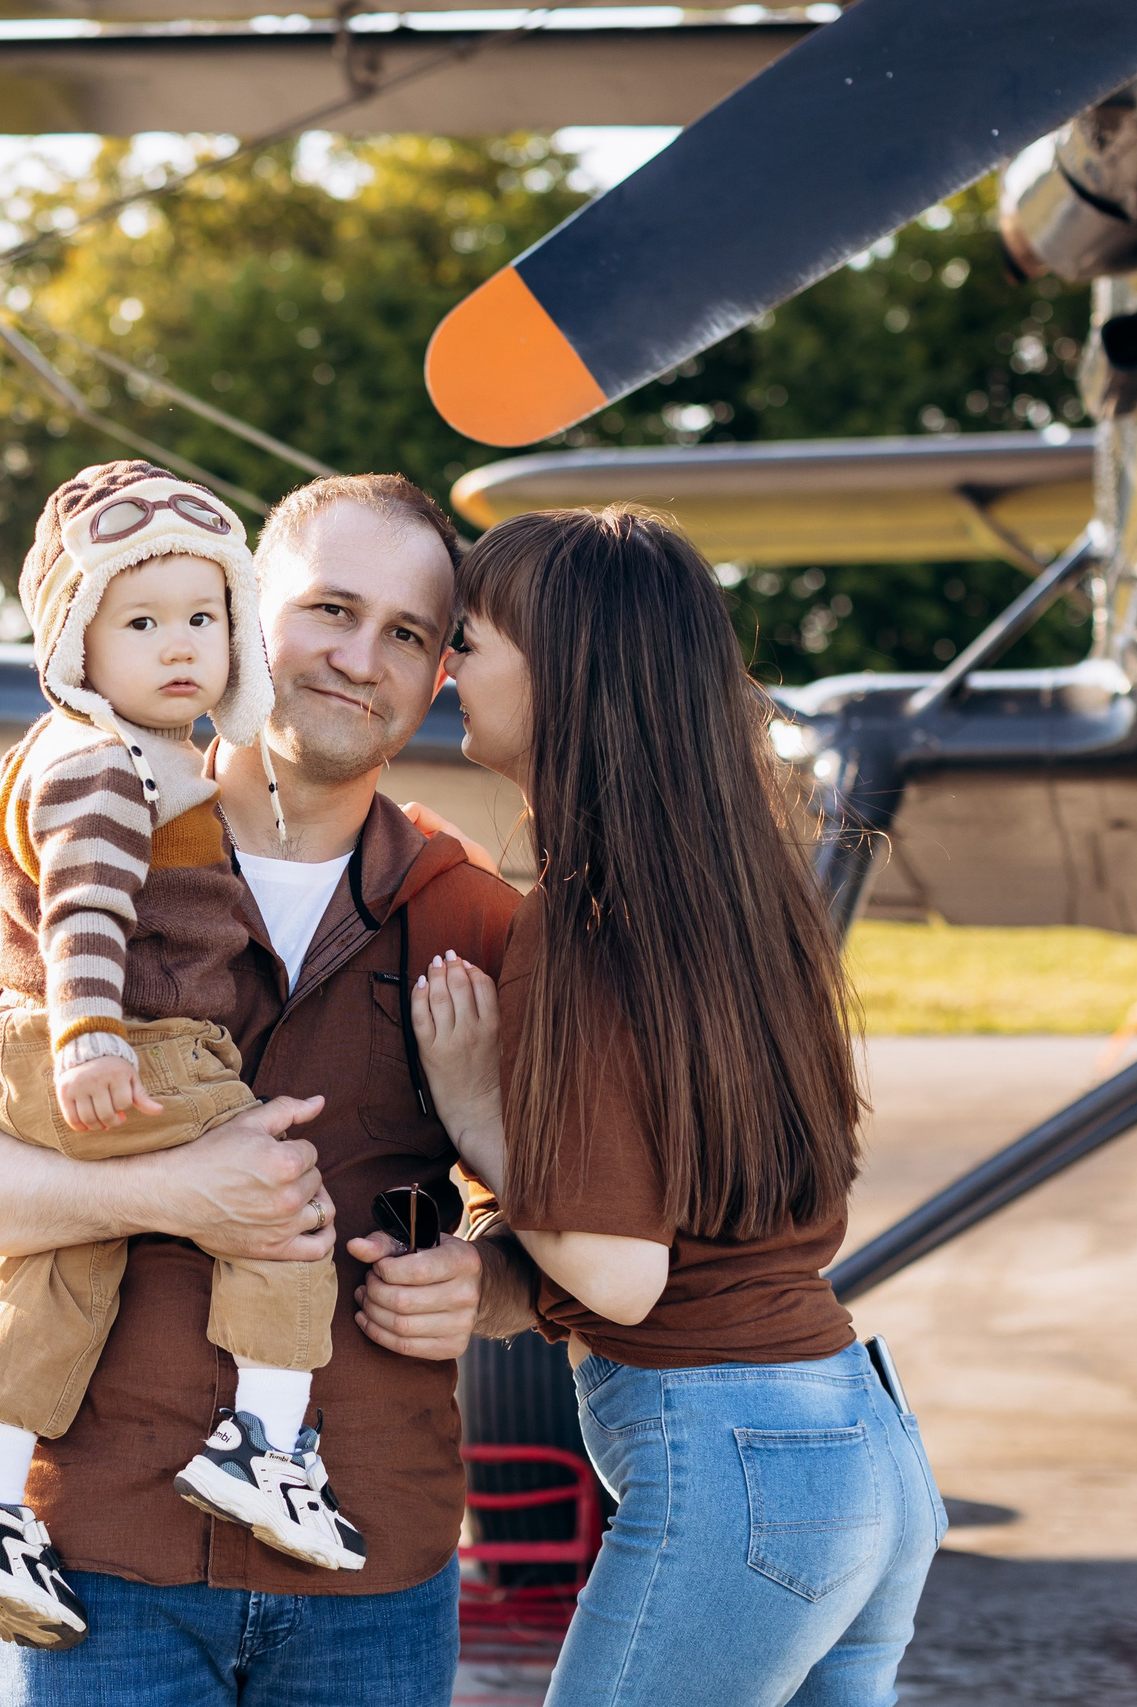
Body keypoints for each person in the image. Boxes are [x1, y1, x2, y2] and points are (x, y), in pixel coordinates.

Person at [0, 471, 536, 1705]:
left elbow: (576, 1217)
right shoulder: (45, 845)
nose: (356, 659)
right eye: (327, 609)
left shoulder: (472, 911)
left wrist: (486, 1285)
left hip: (370, 1563)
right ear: (240, 613)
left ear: (438, 675)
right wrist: (173, 1192)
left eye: (406, 634)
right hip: (88, 1561)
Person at [409, 505, 946, 1707]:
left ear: (566, 670)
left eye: (471, 639)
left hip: (737, 1466)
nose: (446, 667)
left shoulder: (579, 921)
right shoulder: (741, 897)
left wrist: (472, 1108)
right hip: (860, 1443)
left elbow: (616, 1273)